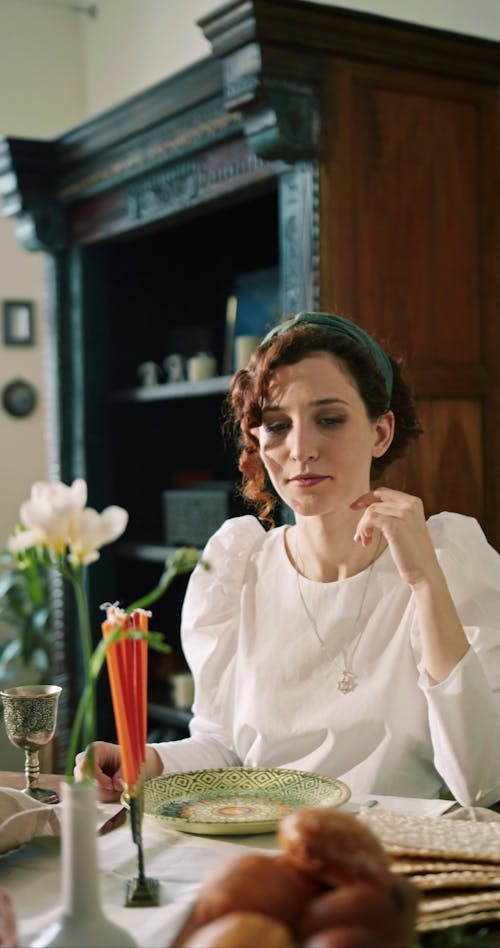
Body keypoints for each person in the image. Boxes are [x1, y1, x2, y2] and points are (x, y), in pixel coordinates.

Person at [75, 311, 500, 807]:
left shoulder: (448, 557)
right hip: (263, 848)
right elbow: (225, 746)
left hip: (398, 861)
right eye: (277, 425)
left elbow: (482, 782)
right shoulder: (237, 568)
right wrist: (148, 760)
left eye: (329, 419)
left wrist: (425, 582)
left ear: (380, 432)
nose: (300, 449)